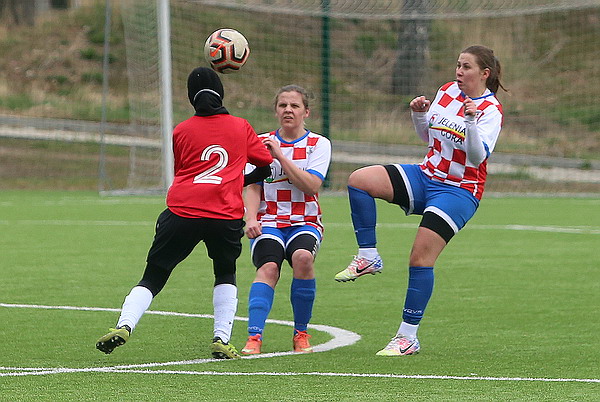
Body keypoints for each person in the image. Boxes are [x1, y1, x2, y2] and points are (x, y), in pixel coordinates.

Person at [334, 45, 506, 356]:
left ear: (484, 73)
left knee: (420, 259)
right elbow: (428, 137)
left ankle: (407, 337)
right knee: (359, 180)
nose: (459, 71)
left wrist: (470, 121)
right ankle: (368, 256)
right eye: (458, 64)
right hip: (425, 176)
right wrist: (419, 115)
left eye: (466, 67)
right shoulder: (447, 90)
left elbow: (477, 157)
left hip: (458, 190)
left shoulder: (491, 110)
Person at [96, 67, 273, 359]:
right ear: (221, 94)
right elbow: (265, 166)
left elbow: (185, 172)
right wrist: (237, 181)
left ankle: (124, 325)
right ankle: (221, 338)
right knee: (225, 272)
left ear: (191, 97)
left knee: (153, 275)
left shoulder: (181, 130)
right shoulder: (241, 126)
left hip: (182, 210)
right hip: (224, 214)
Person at [241, 85, 332, 355]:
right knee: (269, 267)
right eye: (283, 105)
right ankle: (254, 337)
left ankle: (301, 334)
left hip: (305, 221)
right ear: (276, 111)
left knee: (303, 258)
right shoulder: (259, 142)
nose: (288, 110)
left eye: (294, 106)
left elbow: (311, 185)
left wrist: (280, 155)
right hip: (269, 221)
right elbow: (252, 185)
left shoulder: (318, 144)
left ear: (306, 112)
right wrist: (250, 218)